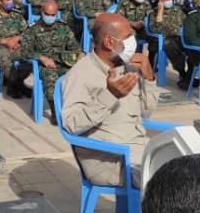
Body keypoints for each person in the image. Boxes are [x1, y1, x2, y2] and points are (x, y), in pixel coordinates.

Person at [60, 13, 158, 187]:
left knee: (193, 170)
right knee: (169, 185)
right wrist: (109, 96)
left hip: (139, 148)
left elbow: (147, 112)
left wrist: (149, 78)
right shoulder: (80, 74)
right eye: (127, 37)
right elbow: (71, 124)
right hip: (110, 160)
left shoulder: (128, 67)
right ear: (109, 42)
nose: (133, 41)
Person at [21, 0, 80, 122]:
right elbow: (24, 51)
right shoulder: (33, 29)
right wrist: (41, 58)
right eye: (47, 14)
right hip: (43, 66)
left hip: (63, 62)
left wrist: (80, 54)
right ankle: (55, 110)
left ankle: (74, 107)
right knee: (51, 76)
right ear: (42, 12)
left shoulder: (63, 27)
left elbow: (74, 46)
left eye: (53, 15)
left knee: (77, 74)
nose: (50, 17)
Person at [152, 0, 187, 88]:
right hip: (165, 40)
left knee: (195, 45)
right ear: (160, 0)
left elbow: (186, 23)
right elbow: (157, 30)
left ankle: (188, 77)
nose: (170, 1)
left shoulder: (177, 10)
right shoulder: (154, 13)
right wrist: (160, 11)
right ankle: (183, 73)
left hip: (179, 38)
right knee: (169, 44)